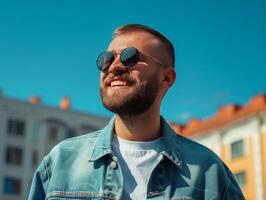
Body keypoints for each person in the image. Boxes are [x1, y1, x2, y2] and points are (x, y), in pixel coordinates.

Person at [28, 24, 244, 200]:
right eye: (106, 59)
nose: (114, 67)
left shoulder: (209, 171)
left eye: (130, 57)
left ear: (167, 78)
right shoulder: (61, 162)